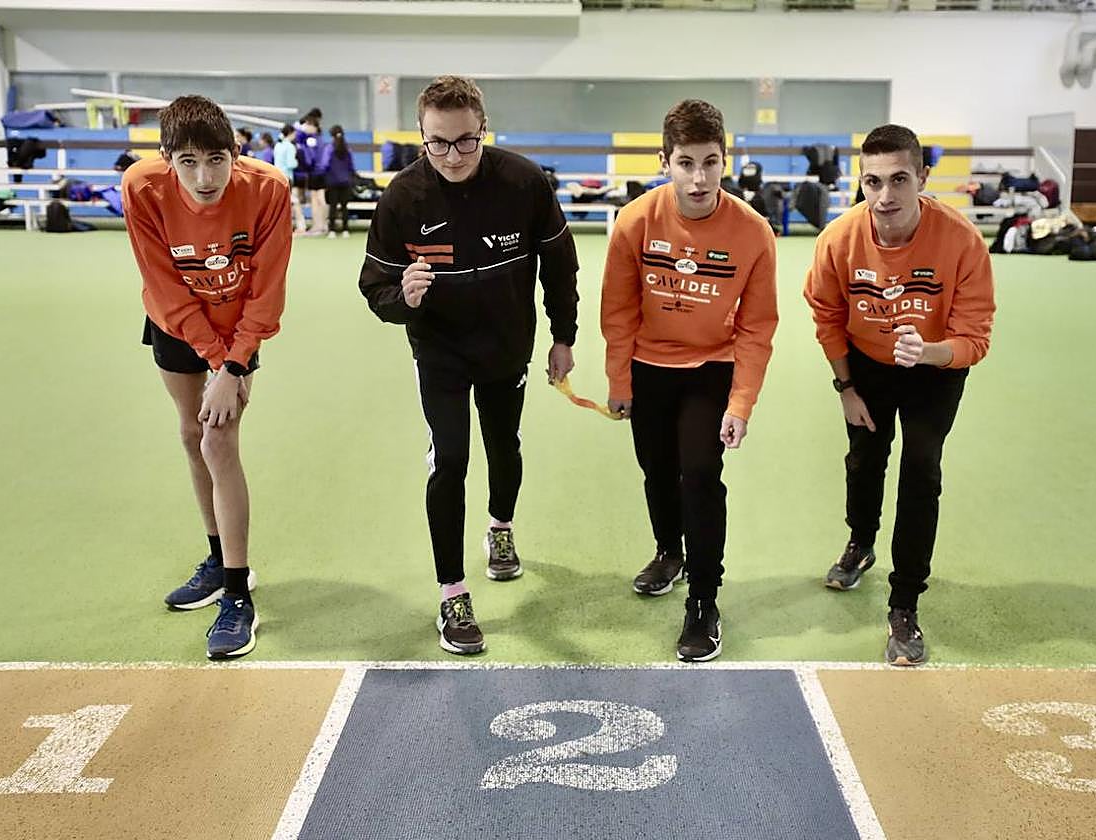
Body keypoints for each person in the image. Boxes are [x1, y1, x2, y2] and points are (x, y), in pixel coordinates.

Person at [359, 75, 579, 655]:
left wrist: (564, 337)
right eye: (437, 143)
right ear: (421, 137)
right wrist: (400, 297)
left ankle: (501, 529)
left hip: (508, 347)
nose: (452, 155)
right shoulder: (403, 197)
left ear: (484, 130)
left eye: (465, 141)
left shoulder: (524, 182)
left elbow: (560, 268)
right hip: (440, 354)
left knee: (504, 447)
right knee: (450, 458)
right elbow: (374, 287)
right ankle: (452, 591)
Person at [803, 123, 995, 667]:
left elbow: (975, 338)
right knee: (865, 458)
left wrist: (929, 351)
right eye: (872, 182)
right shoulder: (839, 240)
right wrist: (845, 387)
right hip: (865, 366)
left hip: (934, 370)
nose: (885, 196)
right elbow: (827, 315)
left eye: (899, 180)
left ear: (923, 178)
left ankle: (905, 604)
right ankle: (860, 543)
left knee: (920, 470)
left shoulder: (961, 242)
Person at [601, 99, 778, 663]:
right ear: (664, 161)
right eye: (685, 162)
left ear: (726, 159)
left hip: (712, 367)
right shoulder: (634, 222)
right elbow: (619, 310)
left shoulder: (753, 233)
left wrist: (742, 402)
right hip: (648, 370)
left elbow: (757, 326)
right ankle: (668, 552)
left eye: (710, 162)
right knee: (656, 469)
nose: (698, 178)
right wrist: (619, 380)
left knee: (699, 473)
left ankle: (703, 600)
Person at [122, 95, 293, 659]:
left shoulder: (268, 189)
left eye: (217, 159)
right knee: (193, 435)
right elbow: (165, 288)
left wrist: (235, 362)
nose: (204, 176)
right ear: (167, 157)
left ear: (235, 154)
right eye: (188, 161)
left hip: (239, 323)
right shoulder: (141, 188)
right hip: (179, 325)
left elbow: (266, 291)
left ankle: (239, 594)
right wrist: (213, 359)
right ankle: (217, 559)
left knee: (220, 441)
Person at [323, 124, 357, 239]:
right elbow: (351, 166)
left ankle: (332, 230)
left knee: (333, 206)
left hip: (332, 181)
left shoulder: (329, 148)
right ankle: (345, 229)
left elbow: (325, 164)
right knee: (344, 207)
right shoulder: (347, 148)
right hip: (345, 181)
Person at [272, 124, 303, 233]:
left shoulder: (277, 145)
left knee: (280, 203)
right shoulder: (290, 146)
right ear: (291, 133)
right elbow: (291, 164)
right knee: (294, 201)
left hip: (277, 176)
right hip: (287, 177)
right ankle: (300, 226)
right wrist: (297, 162)